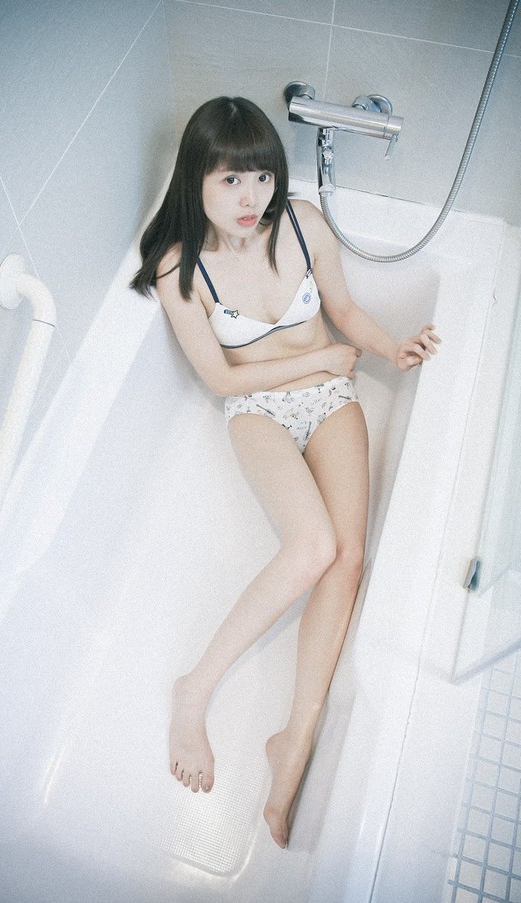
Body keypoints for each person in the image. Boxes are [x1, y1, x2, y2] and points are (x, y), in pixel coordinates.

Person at [131, 96, 440, 849]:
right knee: (311, 547)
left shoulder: (303, 224)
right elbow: (223, 379)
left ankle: (293, 738)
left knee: (349, 555)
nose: (252, 198)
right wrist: (320, 358)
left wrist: (391, 347)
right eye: (231, 180)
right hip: (259, 410)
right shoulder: (180, 268)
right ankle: (195, 687)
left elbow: (346, 309)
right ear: (197, 179)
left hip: (331, 399)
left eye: (263, 176)